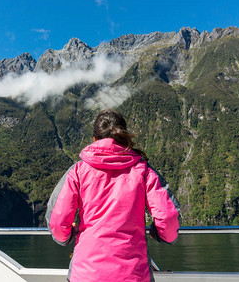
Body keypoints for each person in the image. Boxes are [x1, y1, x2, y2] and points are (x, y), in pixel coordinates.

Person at [45, 109, 180, 282]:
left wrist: (69, 235)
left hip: (86, 274)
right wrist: (158, 234)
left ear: (94, 139)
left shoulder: (77, 171)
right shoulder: (143, 171)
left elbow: (57, 221)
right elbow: (168, 217)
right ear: (124, 137)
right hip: (133, 275)